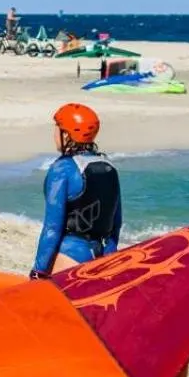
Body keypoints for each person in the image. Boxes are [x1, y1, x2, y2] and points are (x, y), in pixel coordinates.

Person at [30, 103, 122, 278]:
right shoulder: (109, 166)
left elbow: (52, 228)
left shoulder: (62, 169)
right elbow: (116, 224)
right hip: (103, 257)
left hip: (71, 256)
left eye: (57, 129)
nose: (54, 135)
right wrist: (109, 258)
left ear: (67, 135)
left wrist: (38, 271)